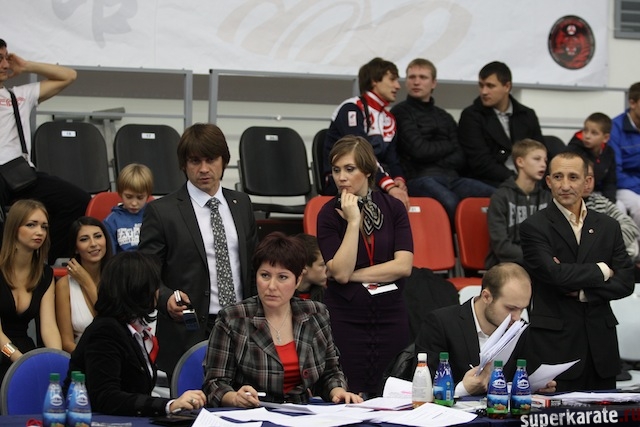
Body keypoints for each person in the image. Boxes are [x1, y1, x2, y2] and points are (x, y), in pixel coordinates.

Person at [139, 123, 258, 377]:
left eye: (211, 159)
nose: (204, 169)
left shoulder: (242, 204)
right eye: (195, 161)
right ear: (184, 164)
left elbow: (253, 266)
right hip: (187, 330)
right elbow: (145, 274)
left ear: (224, 161)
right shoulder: (162, 212)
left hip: (241, 327)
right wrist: (166, 298)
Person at [203, 232, 361, 407]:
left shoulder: (316, 313)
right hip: (253, 411)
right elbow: (214, 383)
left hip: (302, 411)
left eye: (282, 277)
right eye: (265, 275)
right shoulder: (233, 318)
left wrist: (338, 392)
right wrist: (234, 397)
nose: (271, 286)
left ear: (298, 280)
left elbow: (330, 372)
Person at [520, 151, 634, 392]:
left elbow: (625, 282)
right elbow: (555, 275)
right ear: (548, 181)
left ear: (587, 182)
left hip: (601, 349)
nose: (565, 185)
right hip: (555, 349)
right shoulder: (533, 227)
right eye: (558, 177)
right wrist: (603, 270)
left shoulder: (609, 226)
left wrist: (584, 292)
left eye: (573, 177)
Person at [317, 135, 413, 397]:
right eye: (336, 170)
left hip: (390, 313)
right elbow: (340, 271)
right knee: (348, 396)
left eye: (350, 169)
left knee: (392, 396)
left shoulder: (393, 208)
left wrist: (353, 275)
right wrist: (353, 222)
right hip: (346, 316)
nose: (341, 178)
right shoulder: (328, 213)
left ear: (368, 171)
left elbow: (403, 266)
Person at [65, 251, 206, 416]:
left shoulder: (131, 329)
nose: (157, 292)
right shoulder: (105, 331)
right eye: (154, 286)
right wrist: (169, 405)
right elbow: (106, 397)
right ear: (138, 289)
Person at [0, 38, 91, 264]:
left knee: (76, 200)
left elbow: (69, 76)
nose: (5, 65)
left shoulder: (20, 95)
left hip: (21, 175)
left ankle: (39, 262)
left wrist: (26, 66)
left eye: (6, 58)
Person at [416, 263, 555, 396]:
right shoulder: (441, 323)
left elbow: (525, 376)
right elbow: (422, 388)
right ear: (486, 296)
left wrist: (537, 387)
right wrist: (462, 389)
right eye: (511, 308)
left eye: (522, 309)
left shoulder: (520, 329)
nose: (517, 317)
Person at [391, 58, 495, 224]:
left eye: (423, 77)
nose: (416, 82)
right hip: (419, 178)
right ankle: (456, 241)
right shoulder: (400, 112)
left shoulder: (444, 116)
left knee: (496, 196)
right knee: (451, 202)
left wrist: (433, 156)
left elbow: (460, 156)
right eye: (412, 77)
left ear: (434, 83)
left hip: (452, 178)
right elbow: (419, 151)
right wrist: (447, 146)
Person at [323, 57, 409, 209]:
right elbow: (361, 154)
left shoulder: (389, 118)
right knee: (386, 202)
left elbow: (392, 158)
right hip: (343, 179)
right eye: (392, 79)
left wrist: (398, 180)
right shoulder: (352, 108)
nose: (398, 86)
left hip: (373, 178)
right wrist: (389, 186)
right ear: (375, 80)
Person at [0, 199, 61, 381]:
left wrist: (56, 359)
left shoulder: (45, 274)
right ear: (14, 228)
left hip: (24, 351)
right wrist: (20, 360)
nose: (39, 232)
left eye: (44, 227)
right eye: (31, 225)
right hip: (7, 351)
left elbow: (49, 327)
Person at [458, 61, 544, 187]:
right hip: (490, 182)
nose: (484, 91)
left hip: (528, 180)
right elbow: (480, 162)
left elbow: (539, 153)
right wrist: (517, 181)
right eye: (481, 85)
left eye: (490, 86)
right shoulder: (471, 116)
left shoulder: (527, 115)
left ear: (507, 86)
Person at [485, 139, 551, 269]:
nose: (543, 164)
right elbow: (501, 246)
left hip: (540, 266)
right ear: (520, 162)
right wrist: (536, 258)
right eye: (537, 159)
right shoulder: (501, 197)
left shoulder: (547, 198)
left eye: (545, 160)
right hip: (506, 267)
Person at [55, 216, 112, 353]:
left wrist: (86, 282)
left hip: (116, 354)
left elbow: (112, 324)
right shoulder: (64, 285)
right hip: (81, 356)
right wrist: (90, 358)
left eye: (98, 236)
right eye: (84, 239)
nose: (93, 243)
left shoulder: (119, 277)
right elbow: (66, 343)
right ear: (76, 248)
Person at [582, 161, 639, 261]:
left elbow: (630, 225)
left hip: (610, 255)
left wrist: (611, 246)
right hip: (586, 262)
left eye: (591, 177)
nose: (588, 183)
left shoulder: (599, 201)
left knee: (632, 248)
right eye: (582, 177)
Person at [609, 82, 640, 240]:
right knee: (638, 205)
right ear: (632, 103)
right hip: (623, 185)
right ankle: (635, 251)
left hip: (636, 183)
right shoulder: (615, 128)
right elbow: (615, 171)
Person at [566, 112, 616, 203]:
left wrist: (609, 202)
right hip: (576, 196)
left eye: (594, 133)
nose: (587, 136)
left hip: (596, 194)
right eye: (585, 130)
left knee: (618, 206)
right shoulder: (573, 151)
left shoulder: (609, 152)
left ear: (605, 138)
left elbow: (610, 182)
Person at [104, 163, 153, 253]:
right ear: (120, 193)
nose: (134, 203)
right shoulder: (111, 221)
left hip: (149, 260)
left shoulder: (154, 216)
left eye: (140, 197)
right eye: (129, 197)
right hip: (123, 261)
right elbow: (110, 253)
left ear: (148, 195)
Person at [294, 233, 327, 302]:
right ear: (303, 268)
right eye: (322, 265)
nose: (328, 269)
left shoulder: (325, 294)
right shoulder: (284, 295)